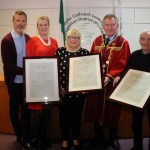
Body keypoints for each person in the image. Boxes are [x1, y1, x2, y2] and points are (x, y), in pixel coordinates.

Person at [85, 14, 131, 150]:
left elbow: (123, 63)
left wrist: (110, 76)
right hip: (97, 83)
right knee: (96, 109)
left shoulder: (123, 43)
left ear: (117, 26)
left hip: (112, 83)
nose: (110, 27)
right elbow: (90, 59)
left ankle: (112, 138)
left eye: (113, 25)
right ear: (103, 26)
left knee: (112, 111)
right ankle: (97, 137)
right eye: (107, 25)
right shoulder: (97, 41)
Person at [1, 10, 33, 150]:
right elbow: (8, 66)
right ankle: (19, 135)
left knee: (26, 111)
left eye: (23, 21)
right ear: (13, 21)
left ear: (26, 22)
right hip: (14, 82)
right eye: (18, 20)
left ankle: (25, 137)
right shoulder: (6, 40)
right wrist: (28, 70)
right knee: (14, 110)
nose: (20, 23)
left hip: (27, 83)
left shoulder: (28, 38)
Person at [113, 30, 150, 150]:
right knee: (136, 123)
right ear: (139, 41)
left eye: (149, 39)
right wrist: (119, 76)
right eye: (143, 39)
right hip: (136, 96)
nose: (146, 42)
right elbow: (127, 70)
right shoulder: (134, 55)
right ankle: (137, 145)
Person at [26, 16, 58, 150]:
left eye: (45, 25)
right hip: (37, 82)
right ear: (37, 27)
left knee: (47, 112)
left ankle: (43, 138)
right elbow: (28, 62)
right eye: (40, 25)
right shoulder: (32, 41)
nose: (43, 27)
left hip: (50, 83)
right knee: (38, 112)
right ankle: (38, 139)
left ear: (49, 26)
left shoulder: (55, 42)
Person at [55, 29, 89, 150]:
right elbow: (54, 71)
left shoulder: (85, 52)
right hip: (62, 92)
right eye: (71, 37)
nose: (73, 40)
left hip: (79, 93)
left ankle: (75, 137)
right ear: (67, 39)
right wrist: (58, 87)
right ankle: (65, 139)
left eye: (76, 37)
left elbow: (88, 73)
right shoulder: (60, 51)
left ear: (80, 40)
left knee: (76, 116)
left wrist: (87, 87)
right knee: (63, 116)